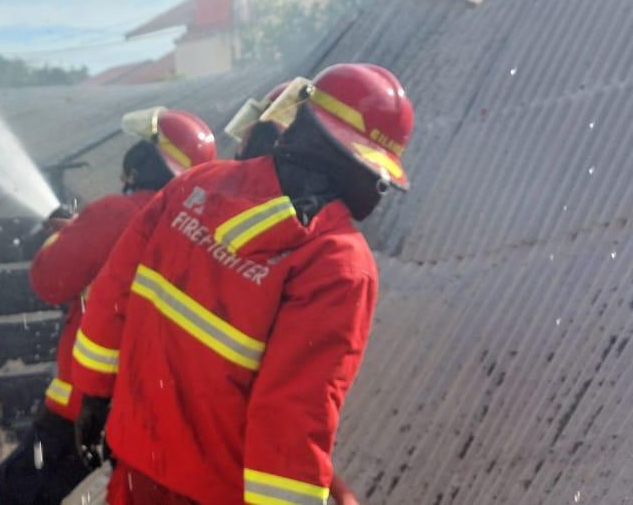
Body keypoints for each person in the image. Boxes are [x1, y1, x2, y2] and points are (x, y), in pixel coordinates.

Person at [69, 63, 414, 505]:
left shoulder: (195, 185)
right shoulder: (338, 261)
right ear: (360, 164)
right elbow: (293, 414)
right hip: (217, 492)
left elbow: (112, 296)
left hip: (136, 471)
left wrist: (94, 391)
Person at [0, 108, 218, 505]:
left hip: (82, 400)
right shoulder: (195, 228)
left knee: (14, 493)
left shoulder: (120, 211)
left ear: (142, 162)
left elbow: (49, 282)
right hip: (145, 409)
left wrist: (60, 239)